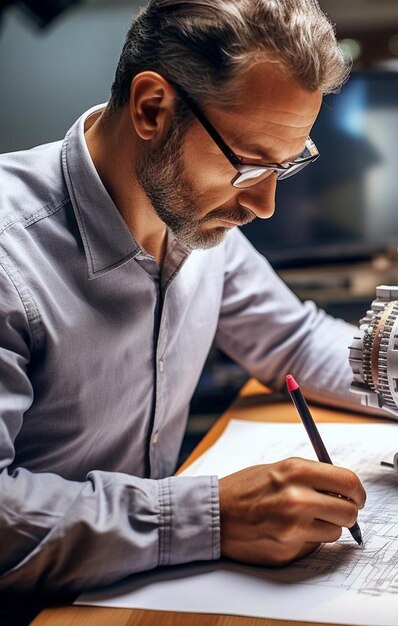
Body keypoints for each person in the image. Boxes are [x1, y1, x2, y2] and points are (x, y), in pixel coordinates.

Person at [0, 0, 371, 596]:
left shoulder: (197, 222)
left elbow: (294, 339)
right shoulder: (8, 259)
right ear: (152, 108)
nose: (264, 205)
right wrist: (211, 517)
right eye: (249, 166)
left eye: (287, 165)